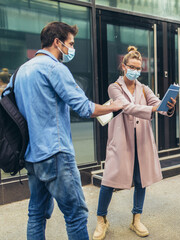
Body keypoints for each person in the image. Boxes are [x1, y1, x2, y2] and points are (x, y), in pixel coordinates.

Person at [7, 21, 123, 240]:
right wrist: (113, 106)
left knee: (36, 214)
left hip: (32, 156)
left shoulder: (20, 71)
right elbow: (84, 108)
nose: (72, 48)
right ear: (57, 42)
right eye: (70, 43)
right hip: (56, 154)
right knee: (76, 215)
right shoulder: (55, 68)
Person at [92, 46, 176, 240]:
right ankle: (101, 220)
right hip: (121, 141)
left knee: (141, 180)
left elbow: (158, 105)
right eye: (132, 67)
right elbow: (127, 107)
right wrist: (154, 108)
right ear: (123, 66)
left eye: (139, 68)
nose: (136, 71)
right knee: (109, 180)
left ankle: (136, 219)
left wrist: (167, 106)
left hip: (142, 140)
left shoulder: (144, 88)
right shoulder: (114, 87)